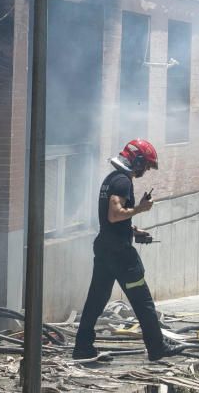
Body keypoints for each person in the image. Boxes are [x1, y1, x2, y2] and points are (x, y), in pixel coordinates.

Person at [73, 139, 182, 361]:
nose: (145, 170)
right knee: (143, 301)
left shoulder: (111, 179)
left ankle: (82, 347)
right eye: (146, 165)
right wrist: (141, 208)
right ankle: (157, 348)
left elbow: (111, 220)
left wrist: (131, 230)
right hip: (121, 256)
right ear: (137, 160)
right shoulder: (123, 181)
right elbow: (115, 214)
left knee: (95, 300)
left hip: (105, 249)